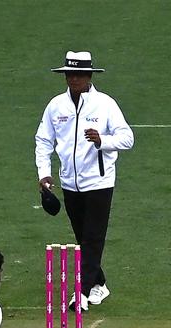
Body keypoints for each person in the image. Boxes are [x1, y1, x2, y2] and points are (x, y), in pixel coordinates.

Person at [34, 50, 135, 311]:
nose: (73, 79)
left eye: (78, 74)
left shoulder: (105, 104)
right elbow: (43, 140)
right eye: (69, 74)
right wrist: (44, 173)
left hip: (99, 183)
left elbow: (127, 138)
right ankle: (99, 284)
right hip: (70, 183)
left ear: (89, 75)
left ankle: (82, 293)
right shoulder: (56, 106)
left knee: (92, 238)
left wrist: (103, 141)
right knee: (83, 238)